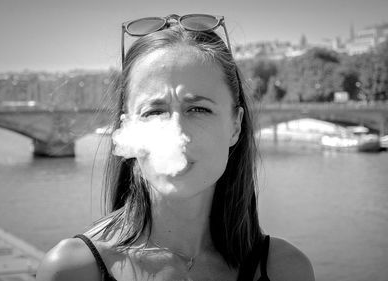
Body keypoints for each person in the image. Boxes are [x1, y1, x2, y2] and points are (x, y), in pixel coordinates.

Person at [37, 14, 314, 281]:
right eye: (154, 111)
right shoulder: (72, 270)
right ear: (125, 129)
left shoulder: (286, 270)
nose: (177, 132)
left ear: (235, 126)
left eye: (198, 109)